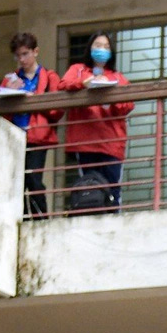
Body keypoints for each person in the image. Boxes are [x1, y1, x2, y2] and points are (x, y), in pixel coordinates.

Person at [58, 33, 134, 213]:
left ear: (112, 52)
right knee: (88, 188)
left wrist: (111, 91)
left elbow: (128, 105)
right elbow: (62, 85)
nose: (101, 50)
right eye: (97, 45)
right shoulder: (78, 70)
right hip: (85, 143)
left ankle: (114, 222)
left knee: (113, 189)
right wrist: (83, 83)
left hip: (112, 143)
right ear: (90, 48)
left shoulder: (117, 77)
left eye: (106, 47)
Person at [0, 32, 64, 216]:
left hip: (37, 136)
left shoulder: (49, 77)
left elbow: (57, 110)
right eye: (18, 55)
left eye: (25, 54)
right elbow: (1, 113)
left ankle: (40, 217)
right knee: (17, 180)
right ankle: (23, 217)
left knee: (33, 178)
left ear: (35, 52)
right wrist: (8, 93)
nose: (22, 59)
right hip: (15, 135)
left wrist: (34, 100)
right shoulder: (10, 79)